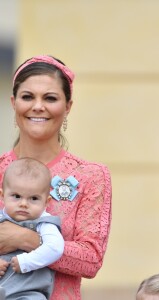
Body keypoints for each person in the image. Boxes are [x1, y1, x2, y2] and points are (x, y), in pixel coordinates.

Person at [0, 55, 112, 300]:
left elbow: (91, 260)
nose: (38, 106)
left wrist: (26, 238)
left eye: (50, 98)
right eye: (27, 97)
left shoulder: (90, 176)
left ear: (68, 106)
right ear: (13, 102)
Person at [0, 157, 64, 299]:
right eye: (16, 196)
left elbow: (55, 248)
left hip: (28, 292)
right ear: (2, 196)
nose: (23, 204)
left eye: (33, 198)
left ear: (46, 201)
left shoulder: (45, 223)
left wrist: (26, 262)